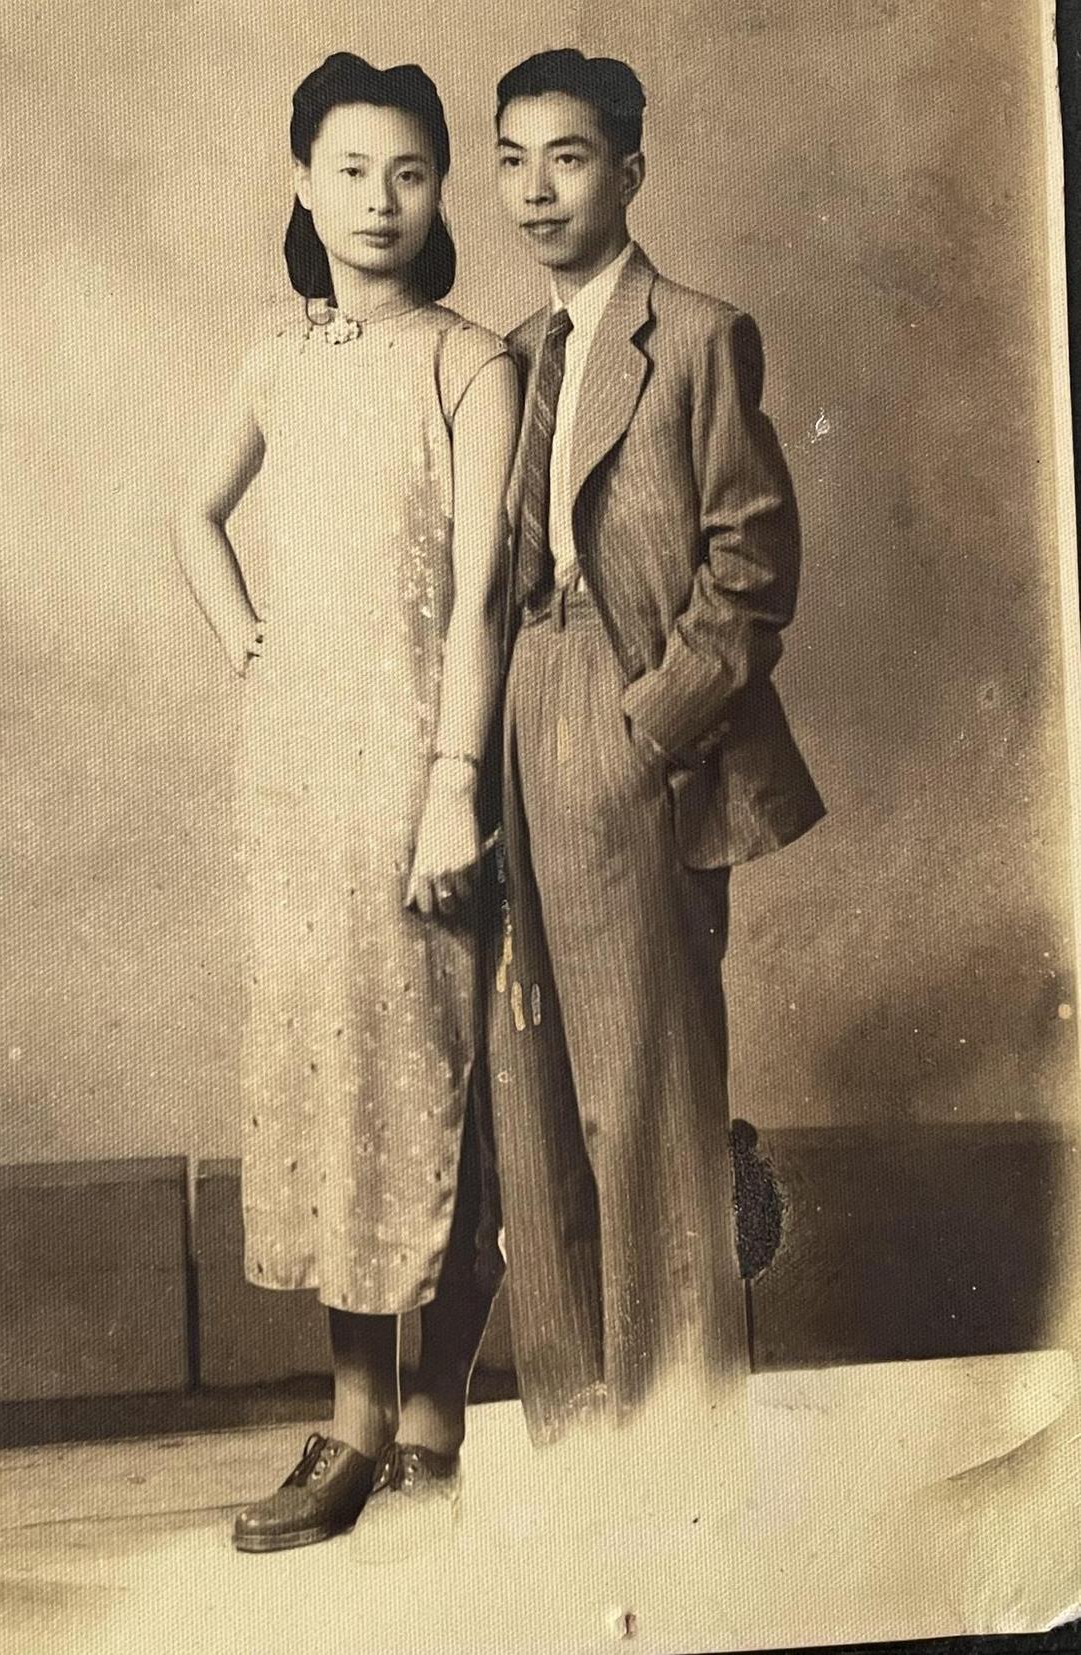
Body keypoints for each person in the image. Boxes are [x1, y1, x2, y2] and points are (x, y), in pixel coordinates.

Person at [171, 52, 519, 1550]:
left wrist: (453, 787)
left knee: (435, 1074)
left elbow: (486, 594)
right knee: (332, 1074)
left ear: (439, 191)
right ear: (304, 186)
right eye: (352, 171)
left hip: (426, 764)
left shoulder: (471, 362)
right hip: (298, 779)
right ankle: (359, 1417)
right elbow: (191, 515)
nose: (381, 201)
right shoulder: (277, 359)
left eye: (411, 173)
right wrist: (253, 646)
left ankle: (431, 1408)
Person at [488, 49, 825, 1445]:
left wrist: (650, 725)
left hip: (634, 720)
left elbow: (751, 562)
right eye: (511, 158)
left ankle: (676, 1439)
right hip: (519, 703)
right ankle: (574, 1436)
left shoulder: (694, 336)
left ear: (628, 172)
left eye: (566, 157)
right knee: (534, 1087)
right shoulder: (513, 354)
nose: (535, 188)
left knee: (646, 1093)